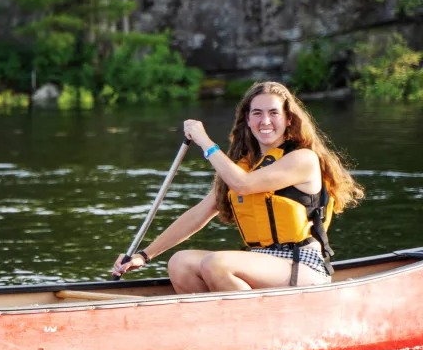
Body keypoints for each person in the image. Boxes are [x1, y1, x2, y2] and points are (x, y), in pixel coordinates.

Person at [111, 81, 362, 291]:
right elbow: (198, 215)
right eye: (257, 113)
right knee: (180, 262)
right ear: (247, 120)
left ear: (288, 120)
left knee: (217, 263)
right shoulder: (243, 166)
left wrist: (204, 141)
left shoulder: (302, 159)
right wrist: (144, 255)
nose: (265, 121)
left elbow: (243, 185)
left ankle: (250, 329)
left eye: (274, 113)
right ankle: (213, 332)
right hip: (261, 261)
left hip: (302, 263)